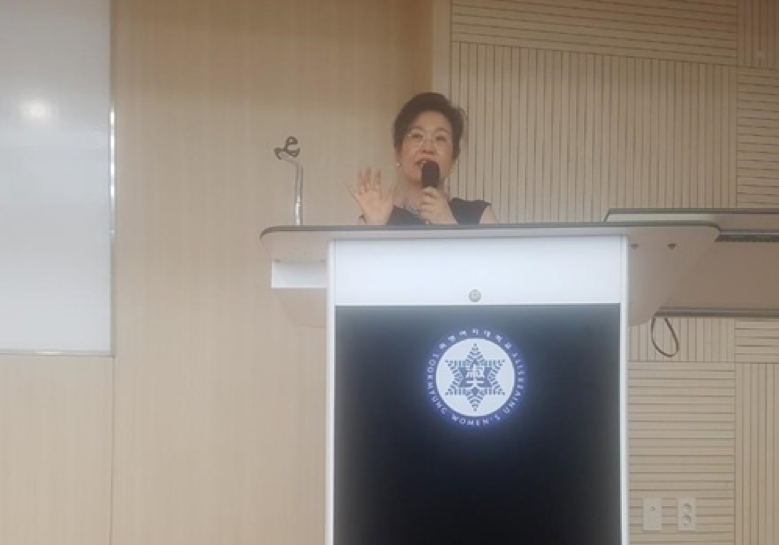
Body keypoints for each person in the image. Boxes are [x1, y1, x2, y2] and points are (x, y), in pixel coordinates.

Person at [349, 92, 498, 225]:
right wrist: (376, 228)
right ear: (398, 153)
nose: (428, 147)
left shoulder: (479, 215)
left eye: (440, 138)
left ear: (453, 157)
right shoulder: (379, 218)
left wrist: (448, 224)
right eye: (417, 136)